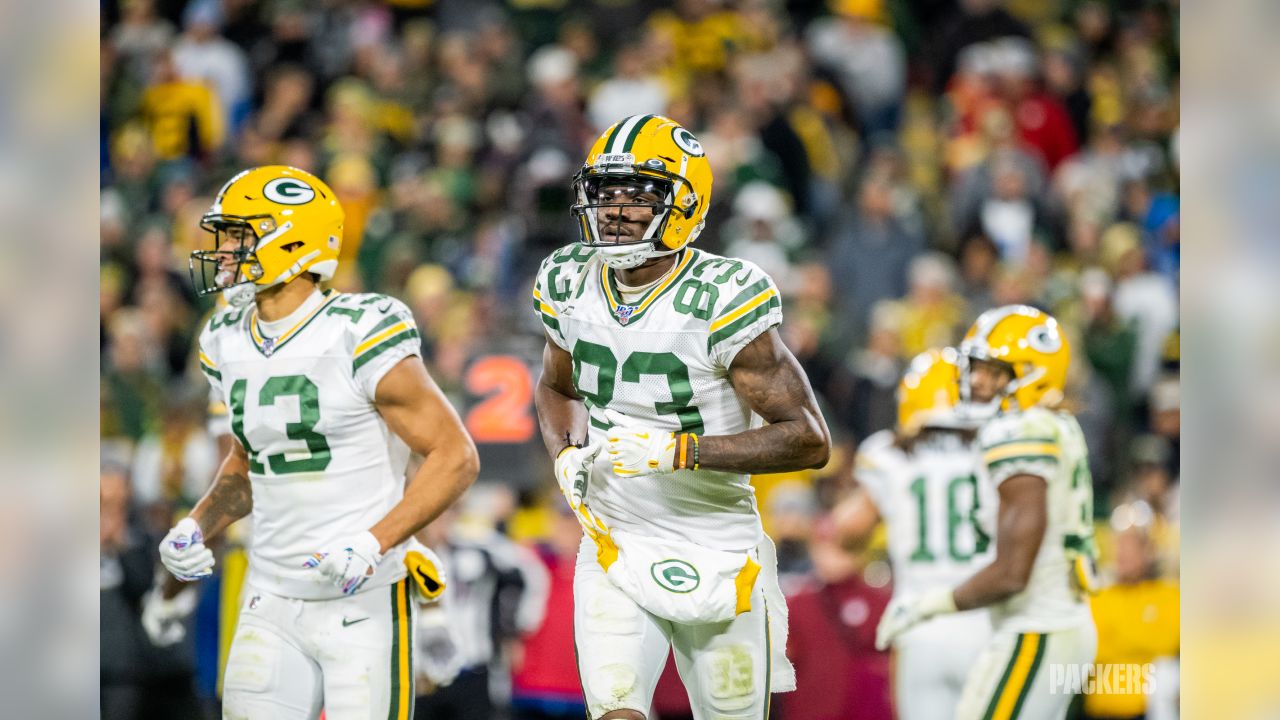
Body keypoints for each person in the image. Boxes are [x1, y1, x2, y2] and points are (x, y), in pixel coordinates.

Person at [532, 114, 831, 720]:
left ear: (684, 205)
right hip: (615, 536)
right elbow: (555, 386)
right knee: (615, 708)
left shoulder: (725, 295)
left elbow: (807, 441)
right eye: (605, 194)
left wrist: (679, 452)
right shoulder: (567, 279)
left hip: (715, 540)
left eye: (638, 196)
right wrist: (565, 453)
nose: (615, 211)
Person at [158, 165, 477, 720]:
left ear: (292, 239)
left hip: (364, 597)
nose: (225, 250)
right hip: (269, 597)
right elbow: (248, 464)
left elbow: (455, 457)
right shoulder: (223, 339)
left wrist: (374, 542)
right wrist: (197, 524)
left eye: (240, 235)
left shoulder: (360, 328)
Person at [875, 305, 1099, 720]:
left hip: (1039, 630)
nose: (975, 381)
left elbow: (1014, 572)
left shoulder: (1022, 432)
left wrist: (929, 604)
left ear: (1033, 373)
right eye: (975, 368)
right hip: (1053, 626)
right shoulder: (1055, 425)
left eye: (993, 371)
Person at [833, 347, 994, 719]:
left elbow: (847, 531)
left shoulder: (889, 456)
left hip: (919, 626)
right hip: (984, 624)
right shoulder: (996, 450)